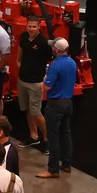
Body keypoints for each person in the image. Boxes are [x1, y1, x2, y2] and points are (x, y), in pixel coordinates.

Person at [36, 38, 77, 179]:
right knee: (65, 133)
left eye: (54, 46)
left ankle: (53, 169)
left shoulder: (55, 65)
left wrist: (44, 79)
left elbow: (47, 87)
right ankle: (66, 164)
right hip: (68, 102)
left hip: (55, 104)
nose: (52, 48)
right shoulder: (72, 62)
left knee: (53, 136)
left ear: (57, 50)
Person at [16, 20, 51, 151]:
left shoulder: (43, 42)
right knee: (27, 110)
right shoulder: (24, 37)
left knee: (36, 112)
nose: (31, 29)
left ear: (39, 27)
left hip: (36, 82)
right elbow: (20, 48)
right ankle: (33, 136)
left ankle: (48, 139)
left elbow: (50, 61)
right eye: (29, 26)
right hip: (22, 80)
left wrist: (45, 78)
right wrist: (18, 61)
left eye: (34, 27)